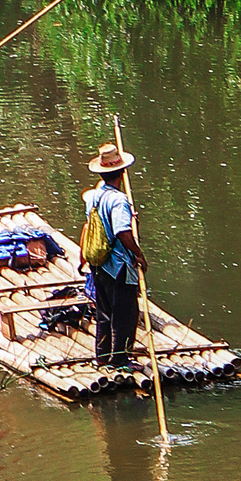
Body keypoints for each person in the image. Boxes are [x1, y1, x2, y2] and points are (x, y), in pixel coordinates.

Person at [80, 142, 148, 370]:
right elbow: (122, 233)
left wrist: (129, 216)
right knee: (125, 315)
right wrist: (138, 254)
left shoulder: (92, 196)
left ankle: (102, 356)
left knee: (104, 312)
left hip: (98, 265)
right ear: (122, 173)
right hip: (117, 266)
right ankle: (119, 359)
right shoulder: (119, 200)